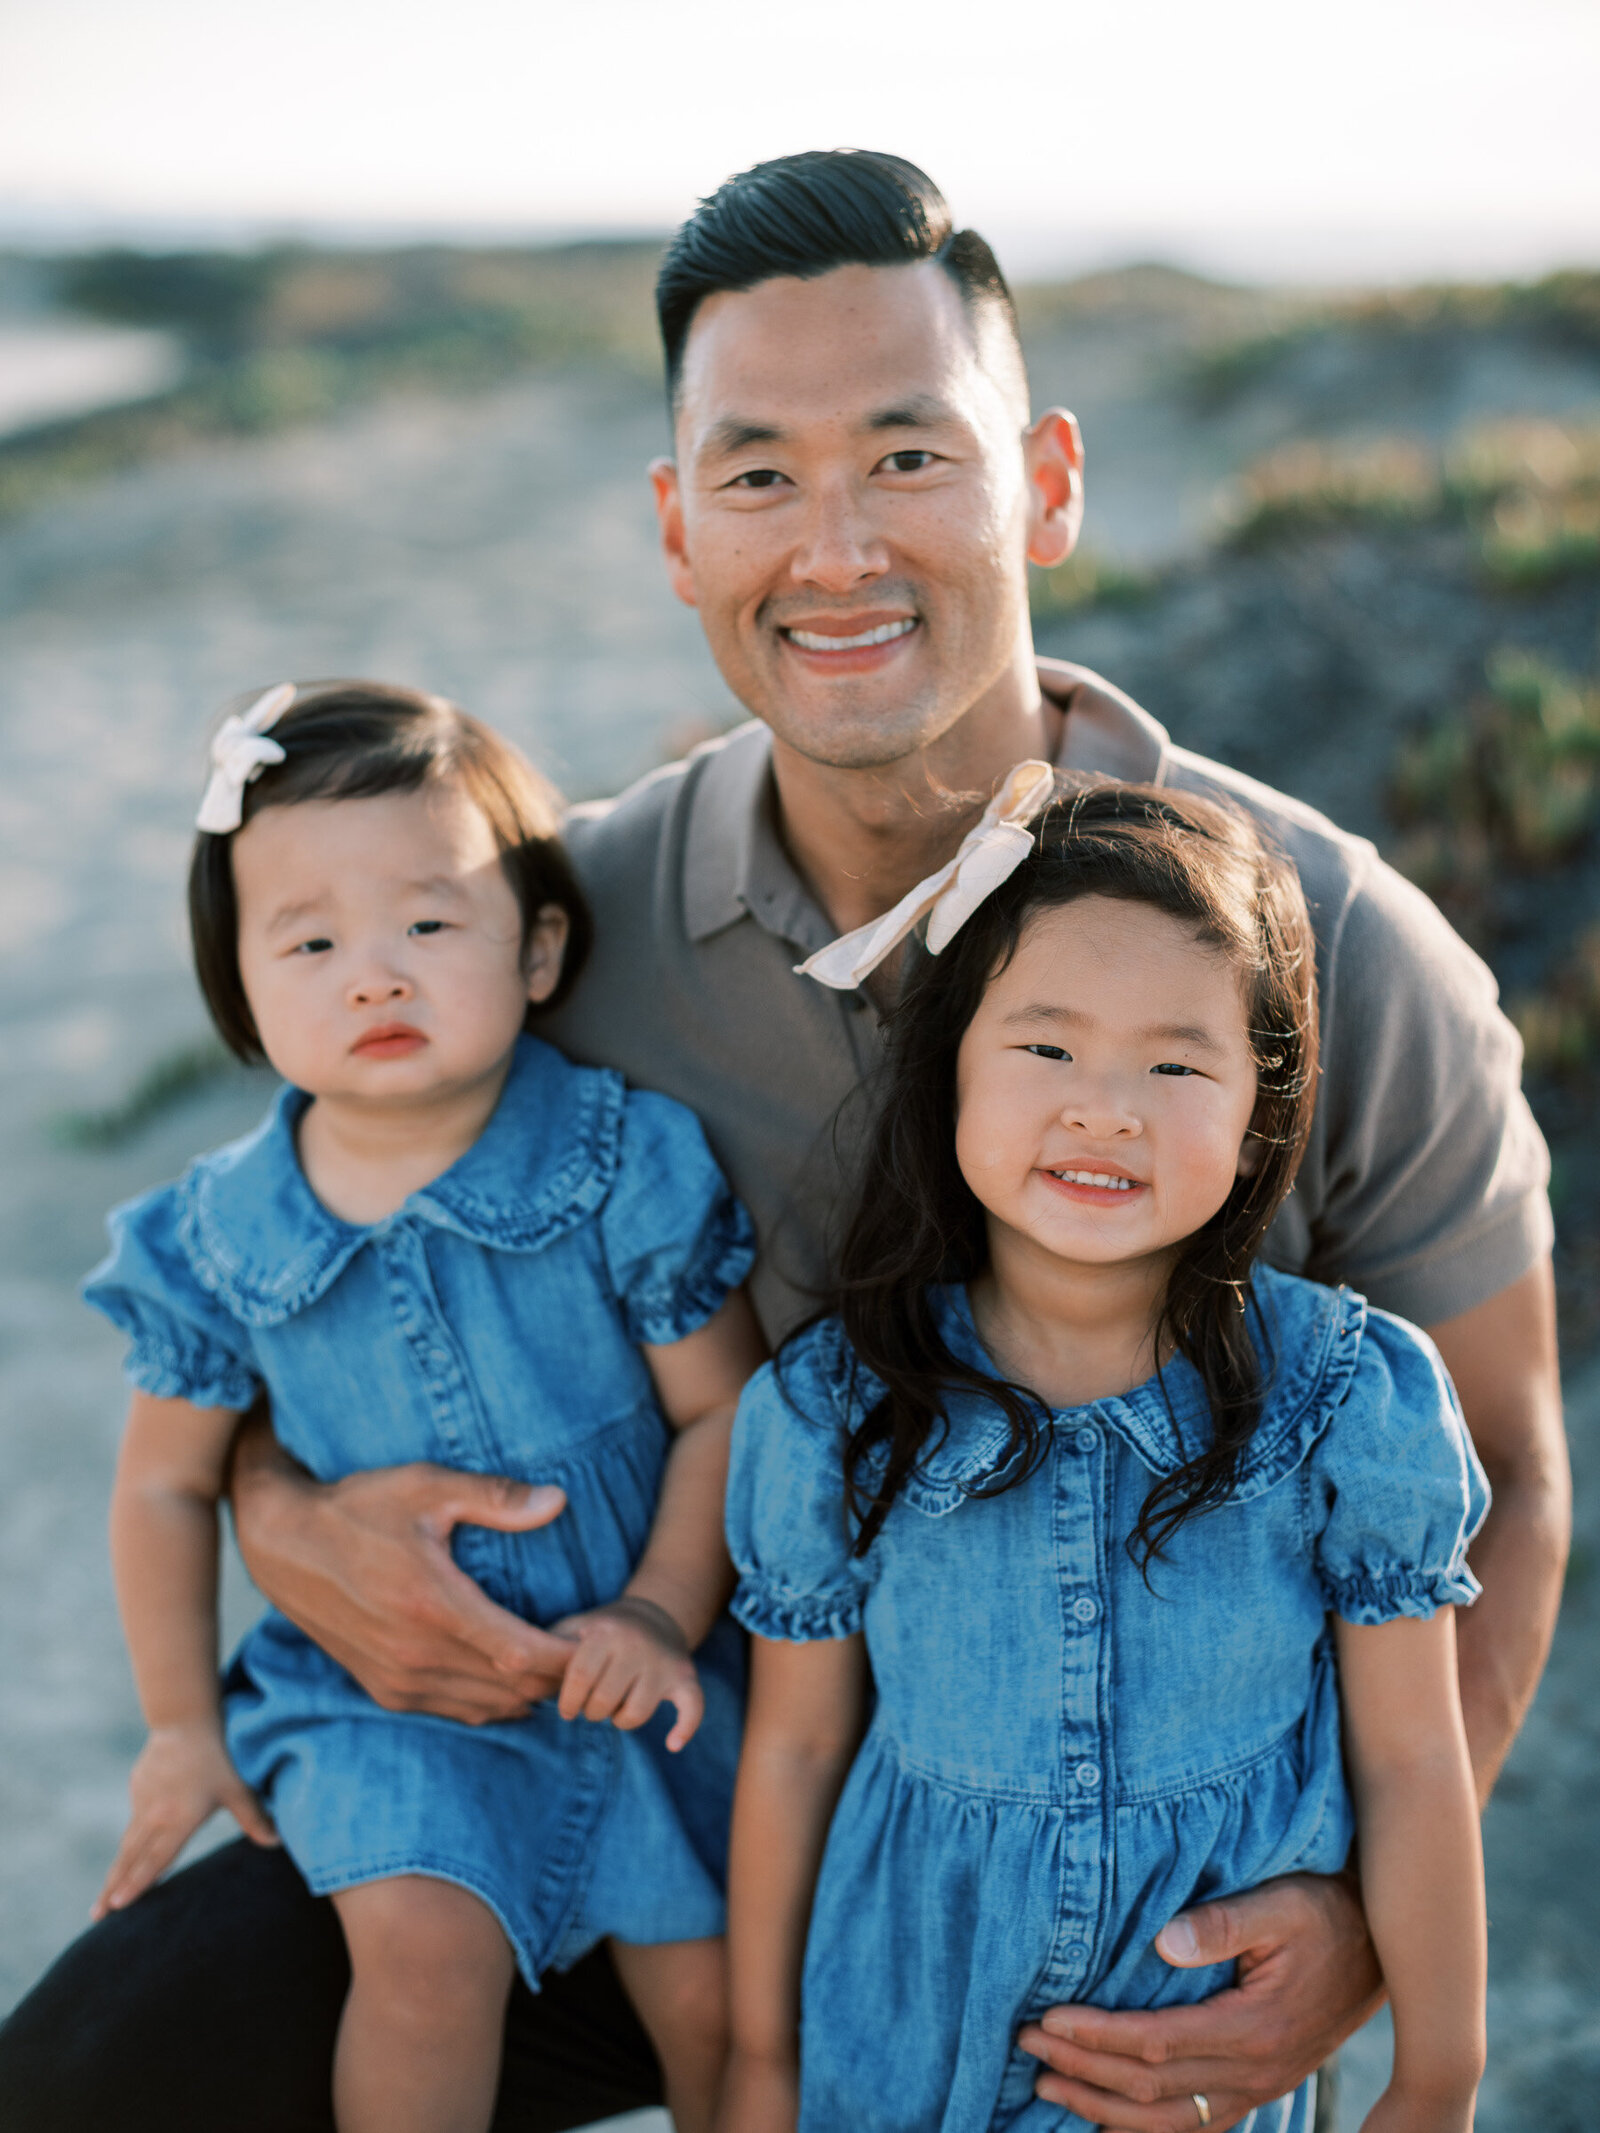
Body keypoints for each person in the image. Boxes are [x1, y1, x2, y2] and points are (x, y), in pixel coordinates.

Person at [0, 151, 1566, 2133]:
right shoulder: (559, 923)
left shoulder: (1324, 948)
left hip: (1130, 1883)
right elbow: (281, 1254)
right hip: (660, 1780)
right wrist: (290, 1523)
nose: (833, 547)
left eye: (909, 456)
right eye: (757, 475)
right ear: (675, 525)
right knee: (92, 2070)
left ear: (1046, 483)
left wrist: (1355, 1914)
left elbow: (1502, 1470)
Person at [718, 776, 1488, 2133]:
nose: (1106, 1109)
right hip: (901, 2039)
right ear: (949, 1059)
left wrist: (1437, 2075)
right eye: (1047, 1048)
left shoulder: (1343, 1401)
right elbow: (792, 1751)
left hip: (1185, 2068)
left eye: (1176, 1063)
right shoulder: (840, 1408)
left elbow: (1416, 1759)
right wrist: (760, 2061)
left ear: (1262, 1106)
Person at [79, 680, 764, 2133]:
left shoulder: (618, 1160)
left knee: (712, 2003)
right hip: (388, 1702)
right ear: (243, 991)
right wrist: (179, 1723)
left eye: (429, 924)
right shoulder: (217, 1239)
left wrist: (654, 1608)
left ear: (540, 947)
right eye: (311, 941)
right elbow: (160, 1483)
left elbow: (721, 1414)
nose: (373, 975)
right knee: (419, 1957)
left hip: (648, 1669)